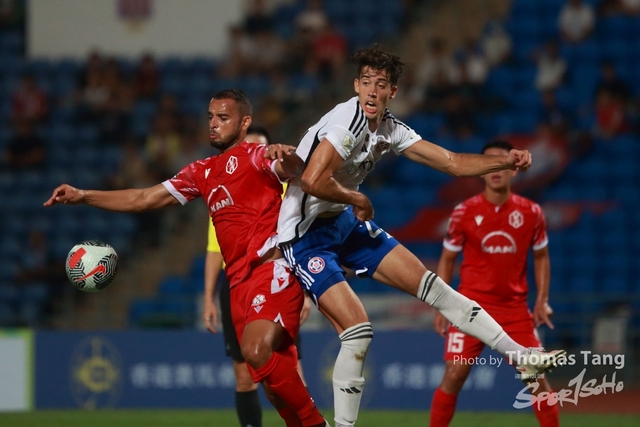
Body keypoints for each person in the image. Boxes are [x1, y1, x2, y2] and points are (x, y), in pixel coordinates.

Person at [277, 45, 566, 427]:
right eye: (366, 82)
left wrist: (505, 160)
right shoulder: (347, 122)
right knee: (358, 331)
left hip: (342, 222)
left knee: (436, 289)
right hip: (304, 235)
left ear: (392, 91)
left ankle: (521, 356)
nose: (372, 91)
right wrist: (358, 198)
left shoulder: (390, 128)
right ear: (356, 86)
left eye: (381, 84)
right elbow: (313, 180)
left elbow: (451, 162)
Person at [44, 89, 329, 427]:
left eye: (223, 118)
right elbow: (143, 198)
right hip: (237, 284)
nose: (213, 124)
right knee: (271, 387)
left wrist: (288, 156)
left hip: (272, 268)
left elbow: (297, 170)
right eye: (210, 117)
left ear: (244, 123)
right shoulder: (202, 172)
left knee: (255, 351)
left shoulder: (257, 156)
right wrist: (84, 195)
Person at [429, 140, 559, 427]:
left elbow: (541, 256)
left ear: (513, 169)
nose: (496, 169)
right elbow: (447, 260)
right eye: (489, 163)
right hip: (469, 309)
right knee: (454, 375)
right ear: (480, 170)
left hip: (514, 310)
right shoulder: (463, 212)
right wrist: (440, 306)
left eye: (503, 162)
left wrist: (542, 300)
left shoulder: (531, 212)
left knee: (536, 378)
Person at [203, 125, 312, 427]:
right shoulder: (223, 194)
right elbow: (214, 250)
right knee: (244, 375)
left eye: (258, 149)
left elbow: (300, 241)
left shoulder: (287, 192)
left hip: (277, 278)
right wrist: (209, 297)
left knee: (292, 368)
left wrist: (305, 291)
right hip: (235, 286)